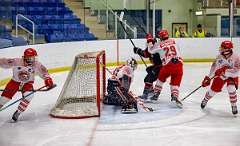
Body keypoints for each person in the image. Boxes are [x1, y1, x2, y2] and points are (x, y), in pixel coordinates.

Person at [0, 48, 54, 121]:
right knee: (4, 99)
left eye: (34, 57)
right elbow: (4, 62)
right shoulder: (16, 61)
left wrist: (48, 79)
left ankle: (18, 112)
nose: (33, 60)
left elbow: (44, 73)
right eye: (31, 58)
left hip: (27, 84)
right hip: (14, 83)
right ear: (26, 57)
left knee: (29, 96)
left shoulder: (37, 64)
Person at [201, 40, 240, 115]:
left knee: (231, 89)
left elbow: (237, 70)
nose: (220, 49)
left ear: (227, 49)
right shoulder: (219, 57)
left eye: (222, 48)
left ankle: (234, 105)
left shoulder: (237, 57)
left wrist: (225, 70)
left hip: (232, 76)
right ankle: (205, 99)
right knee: (213, 91)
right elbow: (214, 67)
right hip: (221, 76)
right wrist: (209, 78)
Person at [147, 30, 183, 108]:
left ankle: (156, 95)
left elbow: (150, 50)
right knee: (175, 83)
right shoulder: (174, 41)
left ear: (160, 37)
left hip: (168, 64)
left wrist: (149, 40)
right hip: (179, 64)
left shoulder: (160, 44)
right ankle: (174, 97)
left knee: (160, 78)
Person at [133, 33, 162, 101]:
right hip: (157, 66)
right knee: (148, 69)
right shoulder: (151, 46)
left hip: (161, 67)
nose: (149, 44)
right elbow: (145, 54)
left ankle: (145, 95)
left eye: (150, 42)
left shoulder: (157, 47)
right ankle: (151, 90)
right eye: (148, 42)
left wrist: (138, 51)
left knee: (148, 79)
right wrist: (138, 50)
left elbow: (147, 53)